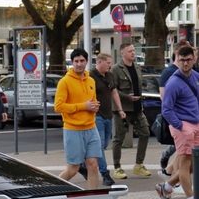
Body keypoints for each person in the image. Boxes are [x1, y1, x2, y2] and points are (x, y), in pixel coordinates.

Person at [155, 46, 199, 199]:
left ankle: (166, 186)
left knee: (194, 163)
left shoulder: (196, 77)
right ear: (177, 60)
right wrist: (180, 126)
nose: (185, 63)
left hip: (196, 123)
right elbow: (166, 109)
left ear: (194, 59)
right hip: (183, 126)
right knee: (186, 163)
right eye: (182, 60)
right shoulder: (173, 82)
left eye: (188, 60)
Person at [54, 48, 102, 190]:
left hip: (91, 128)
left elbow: (92, 101)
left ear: (87, 62)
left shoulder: (91, 80)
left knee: (93, 165)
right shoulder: (65, 82)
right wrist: (84, 106)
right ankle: (51, 189)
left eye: (82, 61)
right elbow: (58, 106)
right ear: (72, 62)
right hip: (73, 129)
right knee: (73, 169)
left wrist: (94, 106)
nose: (79, 64)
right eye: (76, 61)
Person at [77, 52, 126, 186]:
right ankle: (105, 174)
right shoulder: (91, 76)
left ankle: (82, 164)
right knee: (99, 145)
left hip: (108, 114)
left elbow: (114, 92)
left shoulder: (109, 76)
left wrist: (120, 109)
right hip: (96, 115)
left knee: (103, 145)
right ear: (99, 62)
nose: (110, 66)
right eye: (108, 63)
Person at [110, 43, 151, 179]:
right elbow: (113, 90)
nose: (133, 53)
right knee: (119, 138)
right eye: (130, 51)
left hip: (138, 108)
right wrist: (127, 97)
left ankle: (139, 164)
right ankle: (117, 167)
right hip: (123, 109)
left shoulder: (137, 67)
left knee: (145, 132)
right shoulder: (116, 69)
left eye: (134, 50)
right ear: (123, 54)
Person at [158, 41, 191, 178]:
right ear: (177, 54)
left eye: (189, 57)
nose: (186, 61)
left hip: (190, 120)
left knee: (184, 153)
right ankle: (173, 180)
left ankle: (169, 173)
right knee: (184, 153)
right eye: (184, 56)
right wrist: (178, 123)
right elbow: (164, 98)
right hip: (179, 120)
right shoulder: (169, 73)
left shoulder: (192, 74)